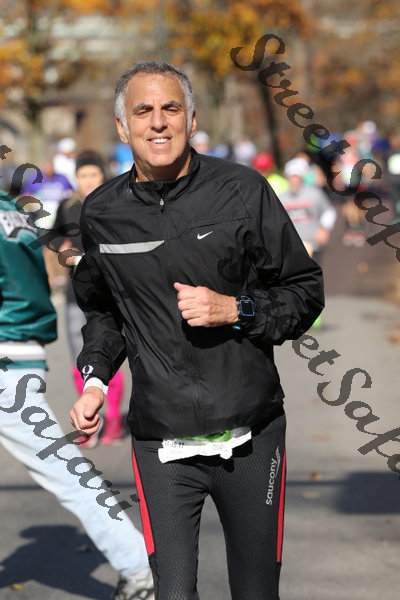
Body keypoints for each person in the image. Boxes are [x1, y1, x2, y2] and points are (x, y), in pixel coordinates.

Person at [70, 61, 324, 600]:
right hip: (161, 438)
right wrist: (94, 380)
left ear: (191, 119)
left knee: (255, 592)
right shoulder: (101, 213)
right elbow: (104, 312)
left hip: (250, 432)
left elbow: (304, 291)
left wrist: (236, 309)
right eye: (143, 110)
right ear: (122, 127)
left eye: (171, 108)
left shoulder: (243, 190)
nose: (158, 122)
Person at [0, 192, 154, 599]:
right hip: (20, 349)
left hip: (6, 351)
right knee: (66, 471)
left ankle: (140, 567)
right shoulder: (12, 209)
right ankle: (139, 567)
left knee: (67, 473)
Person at [51, 152, 125, 446]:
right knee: (78, 357)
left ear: (103, 176)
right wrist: (63, 250)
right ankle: (88, 420)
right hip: (76, 293)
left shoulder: (117, 202)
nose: (89, 181)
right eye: (83, 176)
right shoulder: (68, 206)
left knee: (109, 352)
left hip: (111, 291)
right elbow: (54, 237)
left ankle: (114, 419)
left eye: (94, 174)